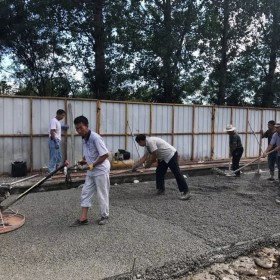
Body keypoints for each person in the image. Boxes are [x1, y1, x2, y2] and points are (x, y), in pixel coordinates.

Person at [70, 116, 110, 227]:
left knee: (102, 194)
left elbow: (105, 155)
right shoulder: (84, 138)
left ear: (86, 126)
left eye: (80, 128)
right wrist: (84, 160)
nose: (78, 131)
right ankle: (83, 219)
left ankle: (104, 216)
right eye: (77, 129)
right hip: (91, 170)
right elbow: (90, 152)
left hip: (101, 170)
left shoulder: (95, 138)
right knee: (85, 192)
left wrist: (92, 164)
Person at [132, 134, 190, 200]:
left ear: (141, 141)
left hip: (170, 155)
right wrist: (135, 166)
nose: (139, 144)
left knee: (177, 173)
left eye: (139, 143)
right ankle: (160, 189)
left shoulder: (150, 141)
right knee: (159, 172)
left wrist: (149, 163)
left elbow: (155, 154)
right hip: (163, 158)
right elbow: (144, 157)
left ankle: (186, 191)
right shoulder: (146, 146)